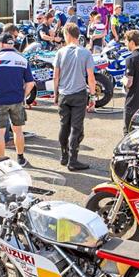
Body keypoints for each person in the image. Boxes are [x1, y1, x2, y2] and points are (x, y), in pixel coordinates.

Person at [0, 31, 35, 166]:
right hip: (17, 100)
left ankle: (1, 162)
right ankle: (20, 158)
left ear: (1, 44)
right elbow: (30, 83)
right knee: (18, 130)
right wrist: (23, 96)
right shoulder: (22, 59)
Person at [53, 22, 96, 171]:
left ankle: (64, 156)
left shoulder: (60, 52)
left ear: (68, 35)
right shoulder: (86, 53)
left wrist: (55, 94)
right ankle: (73, 160)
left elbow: (56, 76)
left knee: (64, 126)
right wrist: (93, 97)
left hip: (64, 95)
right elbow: (91, 77)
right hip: (79, 95)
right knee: (76, 128)